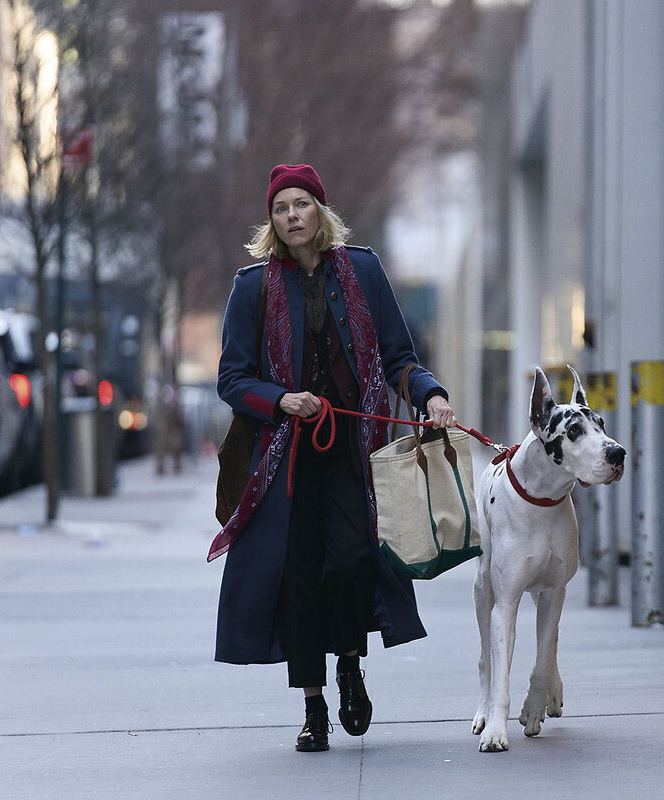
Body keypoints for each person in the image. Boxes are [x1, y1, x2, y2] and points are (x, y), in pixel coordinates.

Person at [209, 163, 456, 752]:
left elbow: (399, 356)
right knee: (296, 580)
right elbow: (231, 379)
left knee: (349, 563)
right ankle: (312, 708)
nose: (292, 215)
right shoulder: (254, 286)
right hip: (283, 462)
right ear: (271, 220)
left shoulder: (362, 270)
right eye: (280, 208)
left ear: (321, 210)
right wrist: (280, 399)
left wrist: (432, 395)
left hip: (353, 454)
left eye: (301, 204)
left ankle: (349, 663)